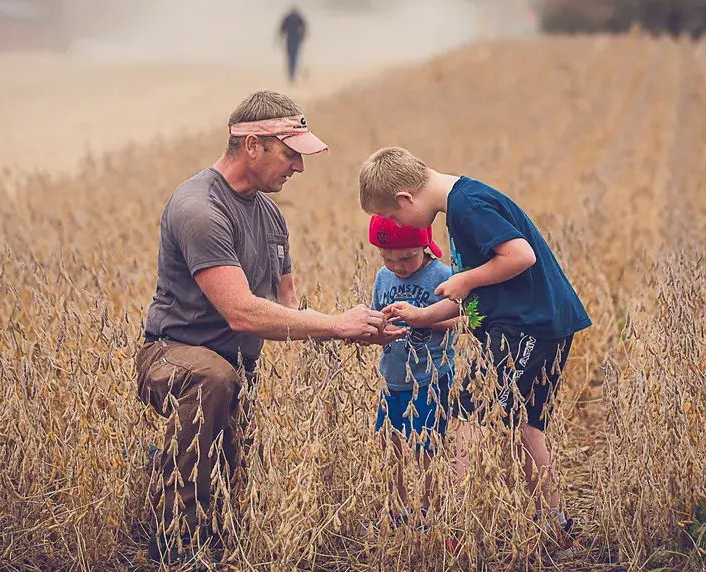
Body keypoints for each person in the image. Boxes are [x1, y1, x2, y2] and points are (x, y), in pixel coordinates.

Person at [137, 90, 399, 565]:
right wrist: (336, 326)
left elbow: (287, 305)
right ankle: (175, 541)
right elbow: (242, 312)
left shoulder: (271, 215)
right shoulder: (200, 208)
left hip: (240, 367)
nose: (298, 167)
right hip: (174, 354)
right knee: (213, 380)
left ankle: (197, 503)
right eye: (290, 153)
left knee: (239, 477)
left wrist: (364, 326)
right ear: (253, 145)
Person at [357, 146, 592, 553]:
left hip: (527, 326)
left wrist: (465, 281)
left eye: (394, 217)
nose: (396, 224)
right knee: (525, 426)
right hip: (531, 324)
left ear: (405, 200)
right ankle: (556, 525)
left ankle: (459, 523)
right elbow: (477, 291)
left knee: (470, 415)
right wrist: (423, 315)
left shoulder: (467, 206)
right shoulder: (460, 205)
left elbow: (520, 256)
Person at [366, 215, 457, 529]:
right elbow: (377, 315)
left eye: (405, 258)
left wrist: (422, 319)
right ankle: (397, 509)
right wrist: (374, 331)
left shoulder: (443, 276)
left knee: (427, 448)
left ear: (425, 245)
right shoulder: (383, 277)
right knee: (388, 444)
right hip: (392, 378)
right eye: (388, 258)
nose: (398, 267)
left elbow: (464, 320)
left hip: (431, 379)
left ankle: (430, 516)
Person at [276, 5, 307, 83]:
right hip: (295, 39)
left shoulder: (288, 17)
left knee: (291, 57)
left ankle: (291, 73)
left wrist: (280, 37)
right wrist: (303, 37)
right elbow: (304, 28)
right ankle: (292, 73)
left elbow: (282, 29)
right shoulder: (298, 17)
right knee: (293, 56)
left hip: (291, 39)